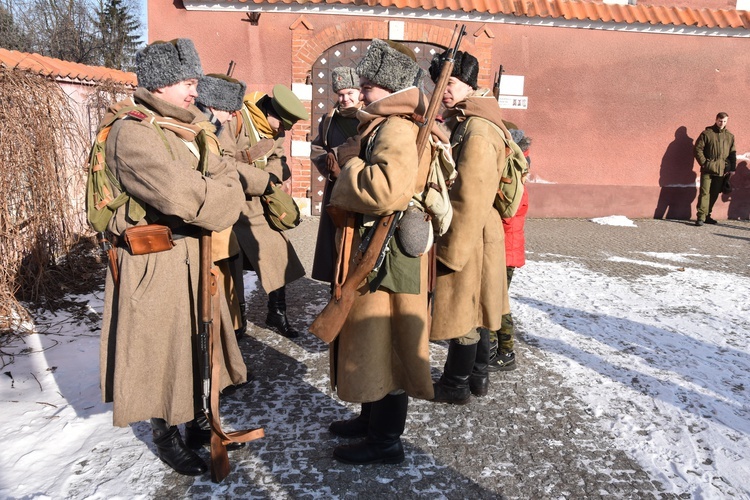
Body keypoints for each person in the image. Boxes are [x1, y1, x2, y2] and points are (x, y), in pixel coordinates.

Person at [98, 39, 248, 476]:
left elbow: (224, 174)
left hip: (190, 253)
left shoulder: (187, 127)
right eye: (187, 81)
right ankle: (165, 434)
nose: (194, 90)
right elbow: (183, 196)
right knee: (160, 349)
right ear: (160, 83)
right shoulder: (134, 132)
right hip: (155, 260)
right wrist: (219, 196)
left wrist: (218, 191)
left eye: (194, 80)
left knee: (196, 341)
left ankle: (199, 420)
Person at [325, 39, 445, 465]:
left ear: (391, 86)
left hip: (389, 256)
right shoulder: (388, 122)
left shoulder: (395, 127)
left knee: (389, 343)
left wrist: (351, 166)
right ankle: (370, 418)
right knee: (372, 341)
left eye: (372, 84)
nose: (365, 89)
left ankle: (385, 439)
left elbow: (387, 190)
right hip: (381, 249)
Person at [428, 50, 510, 404]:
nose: (444, 89)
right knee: (474, 309)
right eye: (440, 83)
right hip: (478, 229)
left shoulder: (477, 129)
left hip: (469, 230)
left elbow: (471, 194)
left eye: (452, 82)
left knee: (462, 310)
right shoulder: (470, 118)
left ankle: (455, 385)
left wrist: (450, 250)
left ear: (470, 85)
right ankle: (476, 378)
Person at [228, 84, 309, 338]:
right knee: (232, 264)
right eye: (282, 125)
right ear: (270, 113)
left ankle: (277, 312)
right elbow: (223, 161)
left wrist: (271, 176)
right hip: (231, 203)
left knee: (277, 252)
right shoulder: (237, 120)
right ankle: (236, 320)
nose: (283, 131)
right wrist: (259, 178)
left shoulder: (275, 131)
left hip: (259, 201)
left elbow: (277, 159)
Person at [310, 67, 363, 284]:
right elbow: (317, 148)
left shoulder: (368, 117)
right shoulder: (329, 119)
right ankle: (335, 286)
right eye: (340, 94)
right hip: (335, 188)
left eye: (350, 93)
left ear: (360, 93)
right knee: (334, 239)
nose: (345, 98)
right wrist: (329, 166)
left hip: (360, 186)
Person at [487, 127, 531, 372]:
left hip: (505, 251)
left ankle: (504, 351)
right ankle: (494, 346)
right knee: (496, 300)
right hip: (505, 248)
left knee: (499, 303)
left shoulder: (515, 180)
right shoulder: (516, 174)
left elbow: (507, 213)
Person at [694, 112, 736, 226]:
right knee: (704, 193)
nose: (722, 123)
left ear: (727, 121)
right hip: (707, 169)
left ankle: (707, 215)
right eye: (720, 121)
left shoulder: (730, 136)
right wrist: (704, 163)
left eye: (725, 121)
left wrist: (732, 168)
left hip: (721, 170)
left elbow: (732, 153)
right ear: (716, 120)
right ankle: (701, 217)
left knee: (714, 193)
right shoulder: (707, 134)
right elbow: (698, 149)